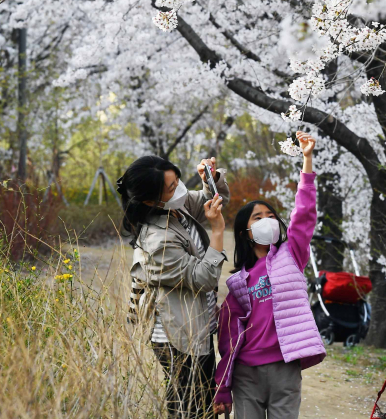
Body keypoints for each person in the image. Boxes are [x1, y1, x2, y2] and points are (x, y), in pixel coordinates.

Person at [214, 132, 326, 419]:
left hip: (284, 367)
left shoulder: (292, 254)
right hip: (247, 372)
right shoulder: (238, 282)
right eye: (257, 217)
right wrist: (222, 387)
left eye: (270, 215)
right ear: (245, 233)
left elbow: (305, 213)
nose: (267, 220)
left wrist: (307, 160)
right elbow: (228, 339)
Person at [118, 154, 229, 419]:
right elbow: (204, 278)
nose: (179, 188)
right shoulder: (159, 241)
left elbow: (208, 201)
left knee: (201, 405)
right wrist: (217, 231)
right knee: (191, 409)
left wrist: (211, 181)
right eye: (171, 187)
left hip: (195, 324)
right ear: (149, 200)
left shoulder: (173, 207)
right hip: (178, 337)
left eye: (177, 180)